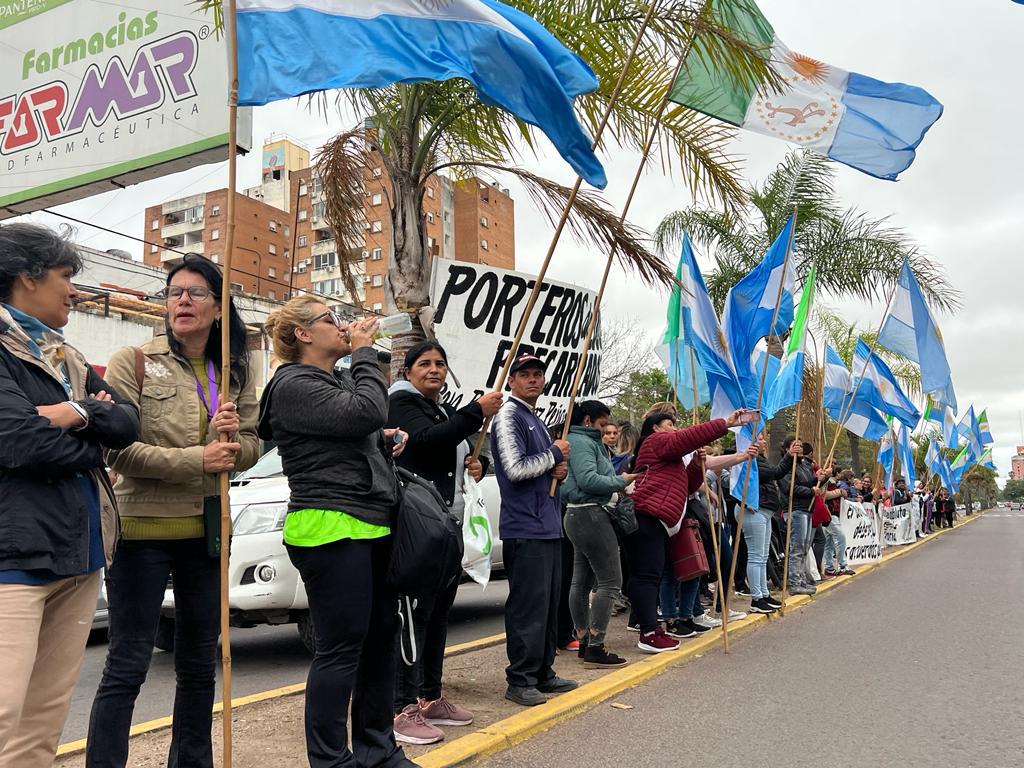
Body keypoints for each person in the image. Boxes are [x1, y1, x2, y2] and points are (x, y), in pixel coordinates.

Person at [86, 254, 258, 768]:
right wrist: (197, 458)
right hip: (141, 531)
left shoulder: (235, 370)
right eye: (174, 291)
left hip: (207, 531)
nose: (182, 300)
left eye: (196, 292)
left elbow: (251, 444)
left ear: (218, 306)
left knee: (201, 662)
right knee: (129, 662)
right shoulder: (132, 360)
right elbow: (117, 451)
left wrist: (230, 443)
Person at [0, 224, 140, 768]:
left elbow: (127, 420)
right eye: (66, 277)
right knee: (6, 709)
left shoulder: (65, 354)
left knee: (42, 720)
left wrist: (76, 413)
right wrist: (92, 433)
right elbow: (18, 439)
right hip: (14, 561)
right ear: (26, 276)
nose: (75, 291)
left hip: (77, 556)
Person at [258, 296, 415, 768]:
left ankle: (377, 748)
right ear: (303, 334)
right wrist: (366, 353)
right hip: (328, 524)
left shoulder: (331, 379)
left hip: (368, 520)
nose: (343, 326)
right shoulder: (292, 382)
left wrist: (381, 442)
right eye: (330, 319)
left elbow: (360, 425)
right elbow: (367, 412)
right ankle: (330, 760)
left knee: (379, 639)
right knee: (342, 647)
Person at [386, 341, 502, 744]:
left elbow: (458, 451)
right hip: (415, 528)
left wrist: (478, 462)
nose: (434, 369)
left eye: (440, 363)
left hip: (446, 525)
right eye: (424, 364)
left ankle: (430, 696)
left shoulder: (439, 408)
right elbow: (422, 441)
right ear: (408, 371)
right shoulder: (400, 403)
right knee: (411, 620)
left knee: (437, 618)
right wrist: (475, 413)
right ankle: (401, 708)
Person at [626, 408, 752, 653]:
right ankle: (649, 632)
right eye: (669, 423)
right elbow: (684, 438)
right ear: (655, 427)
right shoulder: (655, 442)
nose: (674, 428)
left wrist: (696, 465)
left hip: (660, 521)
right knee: (647, 576)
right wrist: (724, 423)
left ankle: (653, 628)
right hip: (647, 517)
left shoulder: (669, 456)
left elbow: (688, 486)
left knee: (651, 575)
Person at [491, 353, 577, 707]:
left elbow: (545, 471)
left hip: (548, 526)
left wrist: (559, 470)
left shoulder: (534, 418)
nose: (532, 380)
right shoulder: (509, 415)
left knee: (548, 603)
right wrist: (554, 455)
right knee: (529, 606)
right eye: (524, 374)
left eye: (537, 374)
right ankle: (521, 678)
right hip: (525, 527)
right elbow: (514, 469)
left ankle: (543, 671)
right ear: (511, 381)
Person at [562, 400, 638, 668]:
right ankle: (595, 644)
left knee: (581, 582)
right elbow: (588, 480)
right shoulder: (583, 442)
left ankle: (584, 640)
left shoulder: (582, 441)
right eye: (603, 423)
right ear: (588, 421)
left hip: (578, 515)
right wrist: (621, 481)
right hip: (590, 514)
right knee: (610, 581)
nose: (607, 428)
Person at [744, 436, 795, 613]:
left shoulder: (760, 459)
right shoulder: (752, 459)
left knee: (763, 556)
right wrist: (789, 456)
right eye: (760, 439)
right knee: (756, 556)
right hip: (754, 510)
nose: (765, 441)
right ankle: (756, 598)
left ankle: (764, 594)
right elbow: (774, 472)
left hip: (765, 510)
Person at [777, 437, 820, 596]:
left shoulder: (804, 465)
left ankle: (801, 580)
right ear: (788, 448)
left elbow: (811, 483)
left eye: (801, 445)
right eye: (796, 445)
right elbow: (789, 488)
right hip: (795, 509)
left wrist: (821, 478)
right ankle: (794, 583)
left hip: (807, 509)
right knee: (797, 547)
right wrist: (810, 492)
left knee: (804, 547)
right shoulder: (786, 466)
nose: (800, 448)